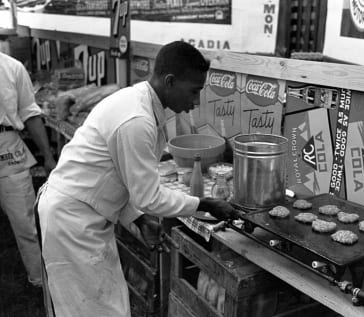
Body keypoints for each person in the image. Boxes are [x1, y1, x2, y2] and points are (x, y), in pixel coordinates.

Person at [37, 41, 240, 316]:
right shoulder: (136, 119)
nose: (196, 101)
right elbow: (149, 197)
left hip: (84, 212)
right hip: (73, 220)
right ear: (169, 81)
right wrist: (204, 204)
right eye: (194, 91)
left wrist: (139, 218)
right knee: (92, 309)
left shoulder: (140, 104)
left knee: (102, 304)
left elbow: (119, 176)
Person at [0, 51, 56, 287]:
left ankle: (40, 280)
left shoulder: (12, 67)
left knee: (25, 219)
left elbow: (30, 113)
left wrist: (48, 156)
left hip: (7, 145)